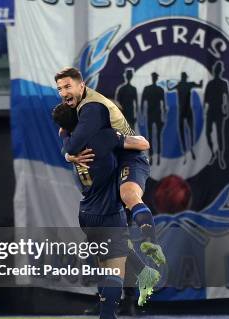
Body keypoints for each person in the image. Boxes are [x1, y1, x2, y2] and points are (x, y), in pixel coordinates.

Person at [52, 102, 151, 319]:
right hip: (108, 212)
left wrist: (68, 154)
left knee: (107, 268)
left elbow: (63, 132)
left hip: (87, 211)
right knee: (115, 274)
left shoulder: (69, 140)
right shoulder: (102, 138)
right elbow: (142, 144)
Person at [55, 67, 165, 267]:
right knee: (110, 244)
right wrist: (69, 155)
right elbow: (67, 138)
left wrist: (69, 153)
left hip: (127, 163)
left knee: (128, 196)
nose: (63, 93)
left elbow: (143, 144)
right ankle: (141, 277)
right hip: (100, 192)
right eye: (60, 89)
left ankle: (151, 243)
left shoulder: (98, 129)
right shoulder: (84, 134)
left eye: (67, 87)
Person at [167, 72, 203, 163]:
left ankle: (190, 149)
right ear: (185, 77)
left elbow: (169, 88)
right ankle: (187, 150)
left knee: (187, 131)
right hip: (184, 111)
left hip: (185, 111)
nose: (184, 78)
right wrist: (201, 82)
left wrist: (168, 84)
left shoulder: (184, 84)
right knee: (184, 131)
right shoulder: (185, 84)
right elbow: (199, 85)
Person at [204, 61, 229, 170]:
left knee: (220, 135)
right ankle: (213, 153)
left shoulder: (224, 83)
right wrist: (205, 110)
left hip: (219, 111)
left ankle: (220, 156)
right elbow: (205, 98)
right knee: (208, 133)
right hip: (210, 111)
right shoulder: (210, 83)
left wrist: (226, 109)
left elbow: (227, 97)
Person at [141, 72, 166, 166]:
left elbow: (163, 104)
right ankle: (153, 156)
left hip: (153, 115)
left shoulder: (150, 89)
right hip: (153, 114)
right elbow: (143, 103)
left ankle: (156, 156)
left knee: (154, 136)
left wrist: (142, 115)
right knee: (154, 136)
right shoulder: (158, 89)